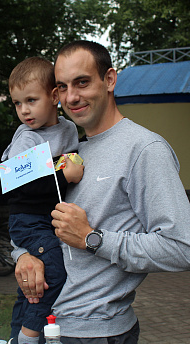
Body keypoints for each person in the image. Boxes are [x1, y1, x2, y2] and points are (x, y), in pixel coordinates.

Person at [13, 40, 190, 343]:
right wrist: (22, 257)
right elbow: (36, 220)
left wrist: (92, 239)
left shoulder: (144, 149)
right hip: (42, 323)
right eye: (62, 86)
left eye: (82, 82)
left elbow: (181, 247)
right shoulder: (71, 149)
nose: (72, 96)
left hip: (94, 334)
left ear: (109, 79)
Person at [2, 56, 84, 344]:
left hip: (49, 220)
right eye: (17, 103)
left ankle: (14, 334)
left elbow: (70, 156)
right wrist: (66, 176)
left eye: (31, 100)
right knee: (54, 272)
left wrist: (67, 162)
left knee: (29, 284)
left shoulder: (69, 129)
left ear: (53, 97)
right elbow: (20, 187)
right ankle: (29, 334)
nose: (24, 110)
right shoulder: (26, 139)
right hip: (28, 221)